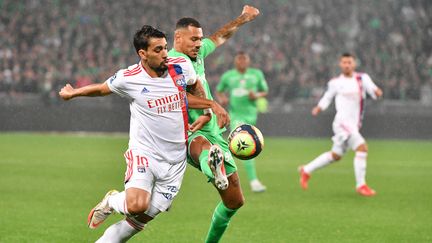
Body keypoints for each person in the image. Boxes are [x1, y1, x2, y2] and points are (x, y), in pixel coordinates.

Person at [59, 25, 228, 243]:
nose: (165, 54)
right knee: (136, 205)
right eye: (158, 50)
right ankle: (112, 201)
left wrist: (207, 110)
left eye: (166, 48)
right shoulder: (129, 78)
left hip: (175, 160)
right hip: (145, 154)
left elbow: (193, 87)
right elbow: (102, 89)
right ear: (143, 53)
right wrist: (73, 93)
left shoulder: (180, 66)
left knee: (137, 221)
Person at [168, 5, 260, 243]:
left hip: (213, 129)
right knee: (201, 148)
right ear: (178, 38)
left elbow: (219, 36)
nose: (199, 43)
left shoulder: (197, 55)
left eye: (199, 39)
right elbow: (181, 97)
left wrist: (243, 18)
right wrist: (212, 107)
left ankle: (215, 165)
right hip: (189, 129)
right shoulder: (174, 62)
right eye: (193, 39)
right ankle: (213, 166)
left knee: (234, 201)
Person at [299, 53, 383, 197]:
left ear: (354, 64)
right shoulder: (335, 82)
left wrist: (377, 92)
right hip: (342, 123)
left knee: (336, 155)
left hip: (354, 124)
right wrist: (319, 108)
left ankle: (306, 170)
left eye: (349, 62)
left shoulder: (362, 78)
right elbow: (327, 97)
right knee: (362, 148)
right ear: (340, 64)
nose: (346, 65)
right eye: (344, 62)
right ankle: (361, 185)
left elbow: (375, 91)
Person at [216, 51, 269, 192]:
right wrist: (222, 99)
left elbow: (265, 91)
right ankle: (254, 182)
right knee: (245, 144)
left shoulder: (256, 74)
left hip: (251, 115)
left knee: (236, 147)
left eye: (244, 59)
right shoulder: (228, 76)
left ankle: (218, 161)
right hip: (236, 116)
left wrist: (256, 95)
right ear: (235, 61)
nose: (242, 62)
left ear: (248, 61)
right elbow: (219, 91)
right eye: (239, 60)